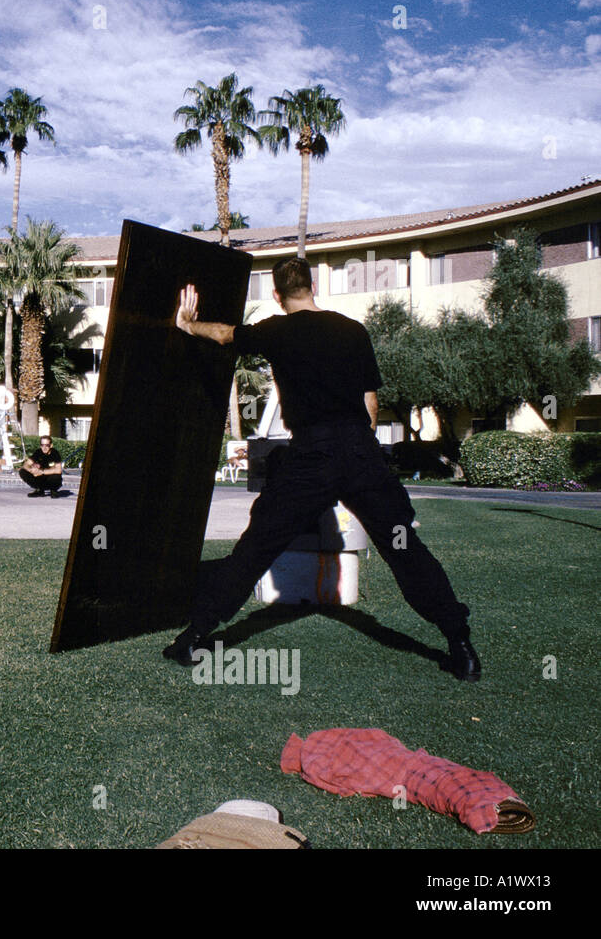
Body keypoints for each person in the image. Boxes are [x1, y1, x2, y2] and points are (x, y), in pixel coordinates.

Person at [164, 257, 480, 681]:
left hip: (312, 453)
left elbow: (223, 335)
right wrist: (358, 452)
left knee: (258, 546)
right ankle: (459, 642)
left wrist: (187, 325)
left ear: (277, 295)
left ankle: (194, 637)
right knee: (404, 548)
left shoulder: (276, 330)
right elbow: (371, 405)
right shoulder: (353, 331)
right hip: (360, 450)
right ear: (313, 286)